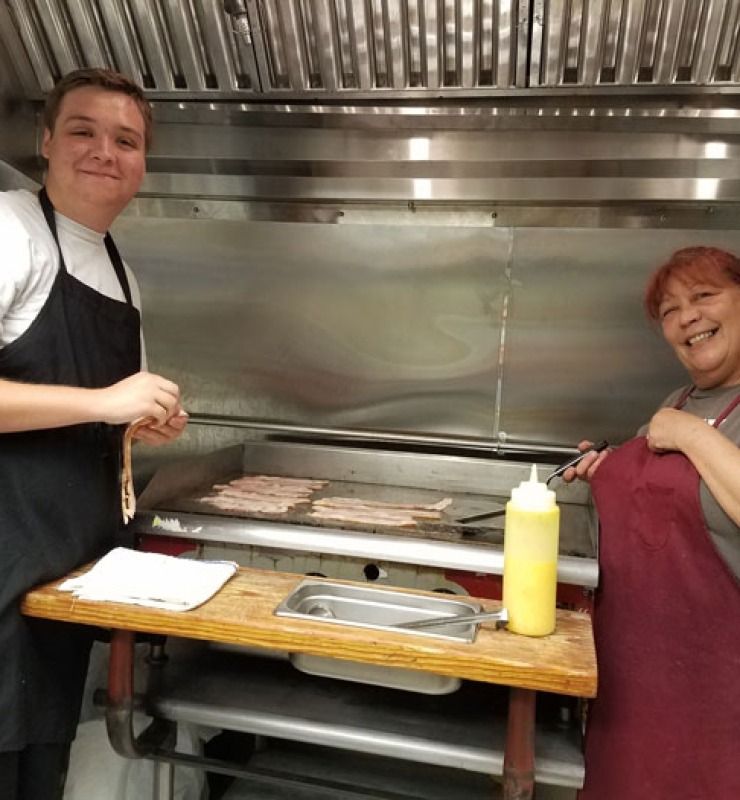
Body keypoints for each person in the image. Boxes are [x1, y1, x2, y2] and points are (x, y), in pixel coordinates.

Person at [0, 68, 188, 799]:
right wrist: (104, 399)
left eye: (126, 140)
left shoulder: (122, 273)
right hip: (9, 561)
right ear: (46, 140)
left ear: (143, 164)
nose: (104, 151)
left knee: (40, 765)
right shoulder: (12, 229)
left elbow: (99, 414)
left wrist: (142, 423)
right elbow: (92, 399)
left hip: (70, 575)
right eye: (83, 130)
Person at [565, 246, 740, 799]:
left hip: (720, 706)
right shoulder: (679, 400)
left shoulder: (679, 419)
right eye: (669, 310)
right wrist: (608, 472)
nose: (687, 317)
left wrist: (686, 434)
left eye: (704, 296)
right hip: (633, 691)